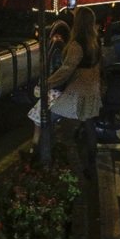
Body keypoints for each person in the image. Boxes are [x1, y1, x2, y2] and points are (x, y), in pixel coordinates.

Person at [40, 8, 103, 175]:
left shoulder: (76, 44)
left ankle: (46, 159)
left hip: (76, 92)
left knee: (46, 118)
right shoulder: (96, 42)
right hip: (92, 91)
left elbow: (66, 69)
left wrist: (47, 82)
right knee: (89, 125)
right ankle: (91, 163)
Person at [26, 20, 71, 151]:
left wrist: (45, 84)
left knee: (40, 117)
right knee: (39, 117)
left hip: (56, 91)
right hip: (55, 90)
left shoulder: (56, 48)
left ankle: (36, 147)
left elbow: (57, 73)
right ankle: (35, 147)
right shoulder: (59, 48)